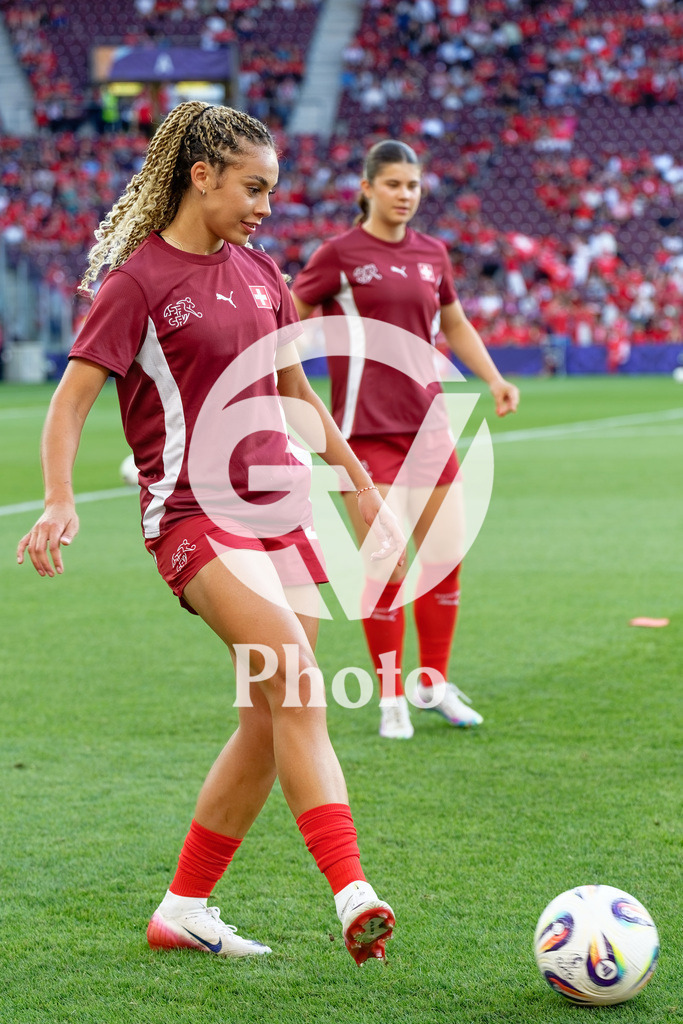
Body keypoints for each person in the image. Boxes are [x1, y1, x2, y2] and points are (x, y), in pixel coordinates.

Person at [16, 102, 406, 965]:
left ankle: (184, 907)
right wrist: (57, 499)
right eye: (253, 187)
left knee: (270, 720)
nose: (266, 205)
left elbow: (298, 394)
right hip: (194, 521)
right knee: (296, 682)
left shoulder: (263, 273)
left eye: (271, 189)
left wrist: (356, 485)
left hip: (281, 517)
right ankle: (353, 890)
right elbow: (71, 401)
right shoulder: (136, 282)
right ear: (203, 176)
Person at [291, 139, 520, 741]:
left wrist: (493, 378)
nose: (404, 195)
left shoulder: (432, 253)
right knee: (387, 564)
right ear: (366, 188)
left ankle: (432, 684)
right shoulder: (338, 255)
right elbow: (292, 317)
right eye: (393, 184)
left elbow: (454, 323)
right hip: (364, 435)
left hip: (430, 429)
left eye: (413, 186)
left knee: (444, 560)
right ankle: (390, 696)